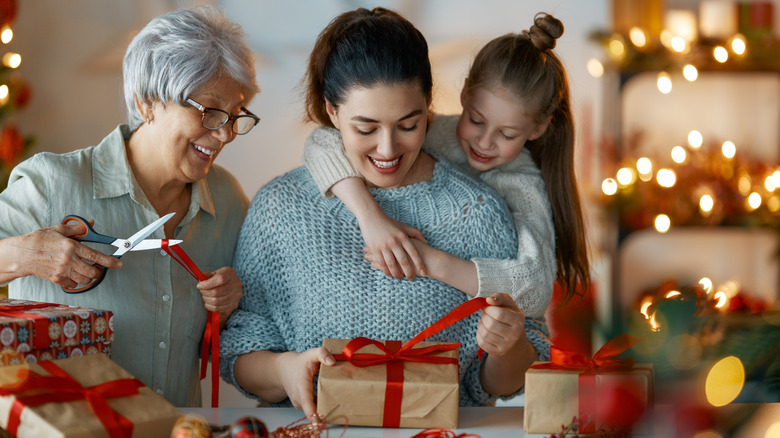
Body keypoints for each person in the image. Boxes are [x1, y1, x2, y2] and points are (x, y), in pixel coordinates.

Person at [220, 7, 550, 418]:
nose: (388, 149)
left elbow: (502, 382)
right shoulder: (280, 208)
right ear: (332, 112)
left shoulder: (478, 213)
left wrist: (510, 347)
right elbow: (237, 350)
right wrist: (284, 370)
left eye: (409, 125)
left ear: (430, 104)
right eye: (366, 128)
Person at [0, 6, 259, 407]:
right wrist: (25, 255)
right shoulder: (49, 184)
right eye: (209, 112)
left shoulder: (226, 200)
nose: (225, 134)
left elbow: (234, 339)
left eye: (235, 114)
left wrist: (229, 306)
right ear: (147, 103)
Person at [303, 12, 590, 318]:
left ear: (538, 129)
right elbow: (321, 141)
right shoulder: (432, 130)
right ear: (465, 93)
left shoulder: (523, 186)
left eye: (507, 134)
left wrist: (430, 261)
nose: (484, 141)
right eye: (476, 120)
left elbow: (535, 290)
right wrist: (369, 217)